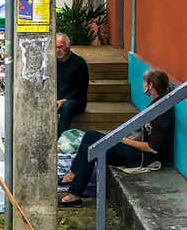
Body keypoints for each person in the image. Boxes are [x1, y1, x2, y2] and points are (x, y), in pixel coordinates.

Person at [59, 70, 175, 207]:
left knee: (92, 148)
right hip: (133, 146)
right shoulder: (156, 104)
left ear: (150, 85)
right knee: (90, 135)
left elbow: (152, 148)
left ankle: (74, 195)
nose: (143, 85)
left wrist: (122, 140)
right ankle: (73, 173)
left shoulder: (163, 112)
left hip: (141, 157)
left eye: (145, 83)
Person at [56, 33, 89, 137]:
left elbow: (81, 88)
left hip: (75, 100)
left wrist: (64, 100)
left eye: (61, 47)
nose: (58, 50)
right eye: (55, 47)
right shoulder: (52, 62)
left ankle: (60, 138)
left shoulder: (79, 62)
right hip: (57, 99)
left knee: (67, 106)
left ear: (68, 47)